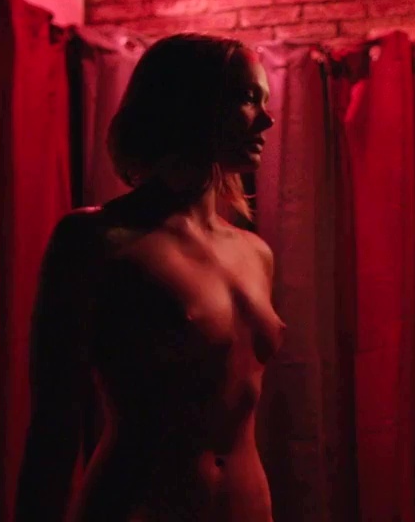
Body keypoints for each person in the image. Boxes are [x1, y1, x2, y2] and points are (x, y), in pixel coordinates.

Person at [15, 33, 282, 522]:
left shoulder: (256, 253)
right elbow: (54, 424)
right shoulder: (98, 240)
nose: (267, 119)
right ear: (191, 102)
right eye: (247, 98)